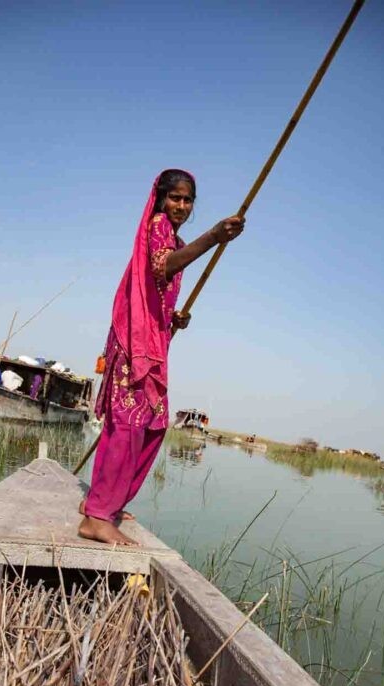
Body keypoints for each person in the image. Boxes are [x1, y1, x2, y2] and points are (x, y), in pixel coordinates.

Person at [79, 169, 245, 545]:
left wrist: (173, 318)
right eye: (176, 198)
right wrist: (213, 237)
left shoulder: (174, 237)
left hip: (153, 337)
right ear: (160, 198)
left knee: (150, 423)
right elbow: (163, 266)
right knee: (129, 423)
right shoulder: (157, 226)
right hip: (135, 339)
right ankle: (97, 516)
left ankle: (105, 501)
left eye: (188, 200)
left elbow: (161, 286)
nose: (181, 206)